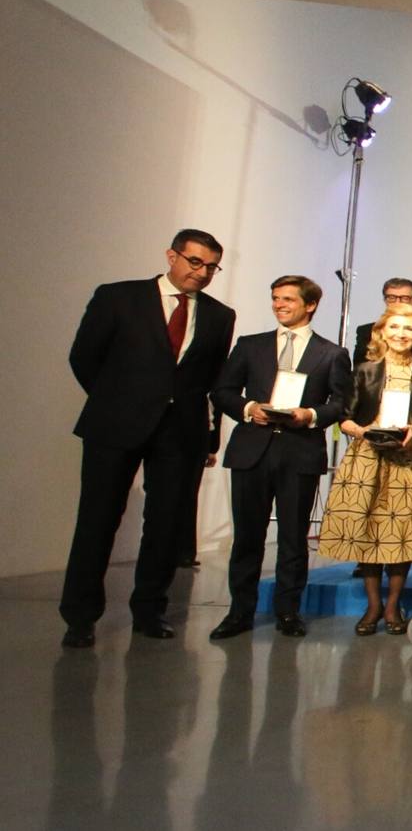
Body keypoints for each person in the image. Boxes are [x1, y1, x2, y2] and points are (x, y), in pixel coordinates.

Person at [60, 229, 237, 647]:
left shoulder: (219, 315)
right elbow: (84, 357)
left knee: (165, 526)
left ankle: (150, 611)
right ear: (171, 256)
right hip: (115, 425)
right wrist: (117, 401)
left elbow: (212, 379)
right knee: (97, 520)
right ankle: (80, 617)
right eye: (195, 261)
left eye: (211, 266)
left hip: (180, 433)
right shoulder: (118, 297)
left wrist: (209, 438)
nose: (202, 272)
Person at [208, 275, 352, 640]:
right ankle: (239, 611)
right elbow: (222, 391)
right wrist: (249, 407)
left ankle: (288, 612)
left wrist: (311, 416)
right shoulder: (249, 345)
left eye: (288, 298)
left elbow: (340, 404)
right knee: (247, 538)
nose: (279, 305)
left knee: (292, 537)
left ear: (310, 304)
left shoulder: (332, 353)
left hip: (299, 452)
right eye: (275, 298)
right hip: (251, 451)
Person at [322, 304, 412, 636]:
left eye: (409, 329)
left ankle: (392, 606)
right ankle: (373, 605)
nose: (401, 334)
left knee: (400, 536)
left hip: (410, 460)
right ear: (382, 332)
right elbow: (345, 417)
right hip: (369, 458)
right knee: (368, 531)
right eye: (394, 327)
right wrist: (365, 430)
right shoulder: (364, 371)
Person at [352, 277, 412, 374]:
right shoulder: (367, 331)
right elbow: (361, 366)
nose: (397, 303)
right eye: (391, 298)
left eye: (405, 298)